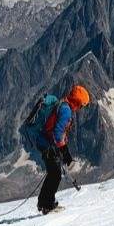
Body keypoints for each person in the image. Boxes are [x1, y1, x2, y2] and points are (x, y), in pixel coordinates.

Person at [34, 84, 91, 214]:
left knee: (53, 173)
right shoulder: (66, 111)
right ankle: (47, 205)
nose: (81, 108)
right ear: (77, 102)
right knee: (55, 174)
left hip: (45, 142)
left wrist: (62, 148)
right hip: (47, 144)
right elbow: (58, 133)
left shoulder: (64, 104)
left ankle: (44, 203)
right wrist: (65, 152)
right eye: (81, 105)